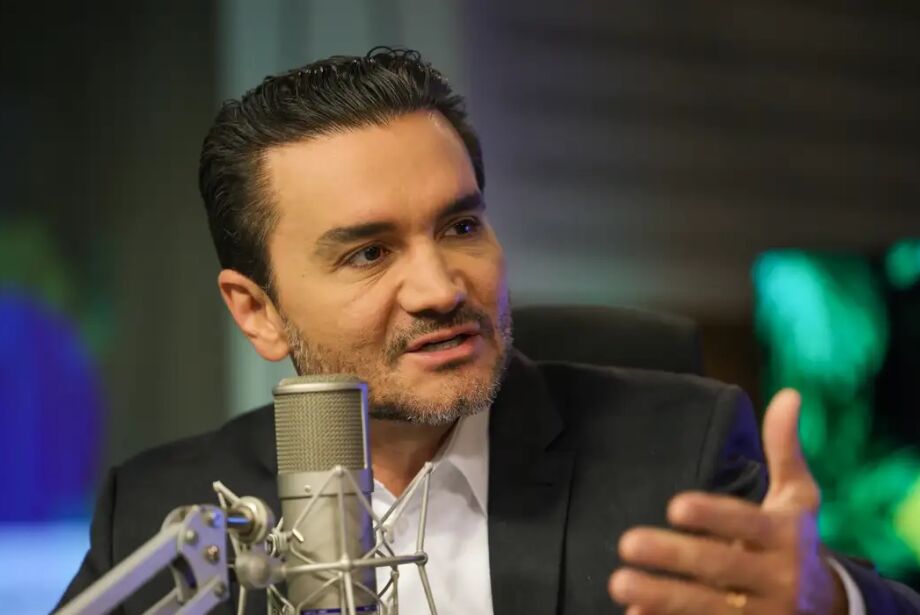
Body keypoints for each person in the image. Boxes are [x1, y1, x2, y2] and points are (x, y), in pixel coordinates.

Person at [57, 47, 920, 614]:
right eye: (368, 253)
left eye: (461, 226)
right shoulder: (165, 511)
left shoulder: (676, 453)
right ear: (257, 309)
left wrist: (832, 600)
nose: (441, 288)